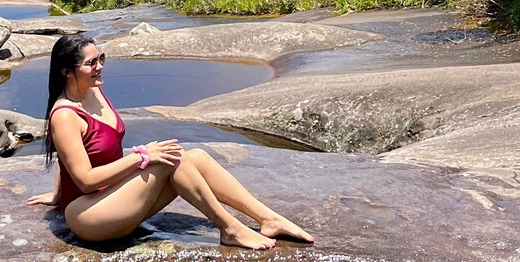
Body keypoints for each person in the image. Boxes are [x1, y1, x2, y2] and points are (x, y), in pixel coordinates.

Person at [27, 34, 313, 249]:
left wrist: (56, 194)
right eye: (91, 63)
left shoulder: (94, 90)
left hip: (114, 196)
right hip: (89, 216)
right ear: (66, 71)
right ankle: (230, 229)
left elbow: (67, 155)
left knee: (196, 156)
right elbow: (86, 179)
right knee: (170, 158)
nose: (99, 66)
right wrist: (141, 157)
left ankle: (268, 218)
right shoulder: (65, 115)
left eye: (101, 58)